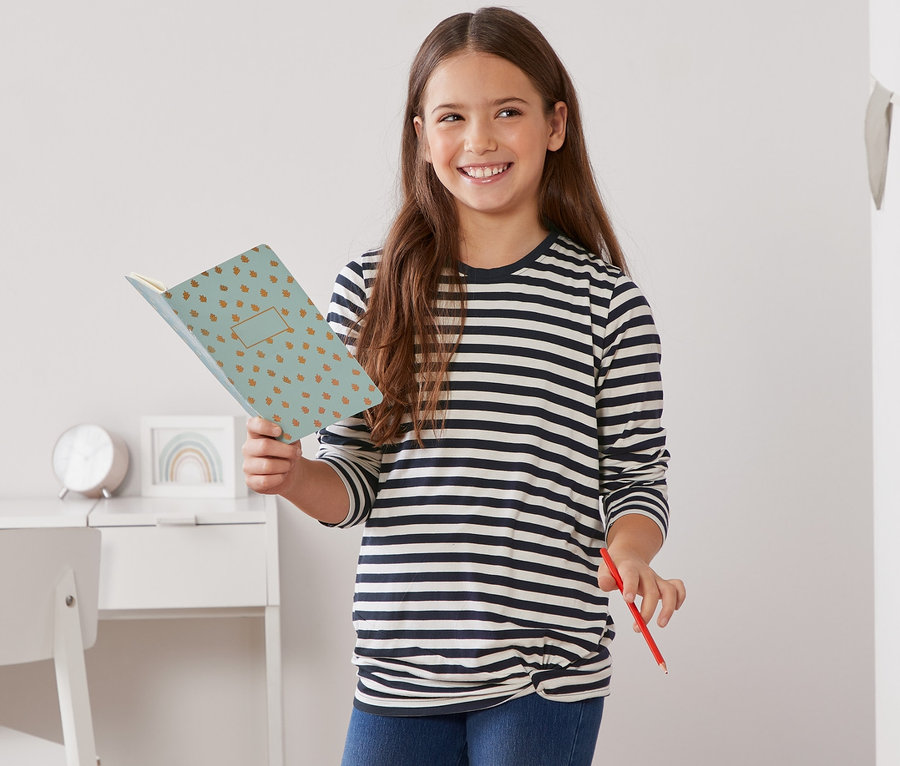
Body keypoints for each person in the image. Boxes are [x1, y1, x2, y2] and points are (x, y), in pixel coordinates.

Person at [243, 7, 685, 765]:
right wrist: (293, 477)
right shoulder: (366, 291)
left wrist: (632, 551)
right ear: (421, 135)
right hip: (396, 674)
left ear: (555, 125)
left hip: (546, 674)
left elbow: (637, 477)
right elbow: (355, 483)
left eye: (507, 112)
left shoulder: (607, 304)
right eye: (452, 117)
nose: (479, 140)